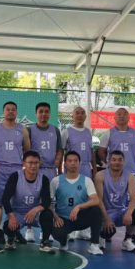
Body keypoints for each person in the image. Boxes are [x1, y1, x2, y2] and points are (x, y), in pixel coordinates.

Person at [97, 107, 135, 244]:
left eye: (124, 114)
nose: (122, 116)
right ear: (115, 117)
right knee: (109, 201)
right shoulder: (108, 133)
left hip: (130, 172)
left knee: (130, 205)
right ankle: (106, 225)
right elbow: (101, 151)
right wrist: (109, 164)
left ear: (129, 117)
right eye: (119, 114)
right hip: (112, 174)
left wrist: (129, 162)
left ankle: (130, 235)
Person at [0, 101, 31, 245]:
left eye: (13, 110)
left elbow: (27, 150)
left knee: (15, 200)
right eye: (8, 109)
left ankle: (13, 230)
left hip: (16, 169)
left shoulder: (22, 130)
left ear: (17, 112)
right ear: (3, 112)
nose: (11, 112)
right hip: (0, 168)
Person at [1, 150, 56, 253]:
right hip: (18, 213)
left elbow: (46, 201)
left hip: (35, 214)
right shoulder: (15, 176)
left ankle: (44, 242)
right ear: (24, 164)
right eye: (30, 163)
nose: (33, 166)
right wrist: (11, 217)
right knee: (7, 226)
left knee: (48, 214)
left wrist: (36, 209)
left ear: (40, 164)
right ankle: (11, 238)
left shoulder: (43, 179)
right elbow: (5, 199)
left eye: (36, 163)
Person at [50, 151, 102, 255]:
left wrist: (78, 207)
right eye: (69, 161)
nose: (72, 163)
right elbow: (48, 203)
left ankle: (94, 245)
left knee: (96, 210)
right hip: (63, 219)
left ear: (79, 163)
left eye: (75, 161)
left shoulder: (86, 180)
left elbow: (96, 200)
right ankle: (64, 242)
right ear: (65, 163)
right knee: (57, 233)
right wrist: (56, 217)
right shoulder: (56, 180)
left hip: (80, 217)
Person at [24, 102, 62, 242]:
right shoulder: (29, 130)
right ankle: (29, 230)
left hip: (50, 170)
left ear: (50, 114)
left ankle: (45, 230)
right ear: (36, 114)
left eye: (46, 111)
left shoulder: (55, 130)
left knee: (49, 201)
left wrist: (58, 162)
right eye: (41, 111)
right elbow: (26, 150)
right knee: (31, 199)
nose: (44, 114)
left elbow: (60, 149)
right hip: (35, 170)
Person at [61, 106, 96, 242]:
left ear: (85, 116)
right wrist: (60, 170)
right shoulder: (66, 132)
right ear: (72, 116)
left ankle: (82, 230)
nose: (80, 115)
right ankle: (68, 229)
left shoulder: (88, 132)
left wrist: (94, 168)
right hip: (71, 169)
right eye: (77, 113)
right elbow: (61, 152)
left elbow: (91, 151)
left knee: (85, 198)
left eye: (82, 113)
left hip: (86, 168)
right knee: (70, 198)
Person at [94, 150, 135, 253]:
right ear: (109, 161)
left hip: (120, 212)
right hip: (104, 212)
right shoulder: (100, 175)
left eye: (120, 160)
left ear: (124, 162)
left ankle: (127, 240)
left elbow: (133, 199)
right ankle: (100, 236)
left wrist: (128, 213)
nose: (117, 162)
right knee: (107, 233)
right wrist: (106, 219)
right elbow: (99, 199)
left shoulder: (129, 177)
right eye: (114, 160)